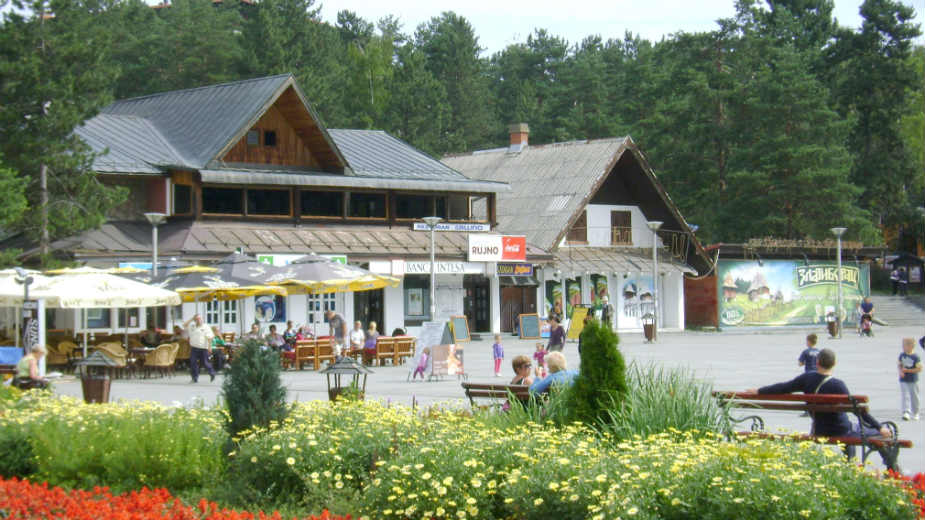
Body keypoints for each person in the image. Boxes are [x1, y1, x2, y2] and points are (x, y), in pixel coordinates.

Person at [748, 348, 892, 461]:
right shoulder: (838, 385)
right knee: (877, 434)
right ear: (834, 363)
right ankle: (883, 467)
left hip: (819, 429)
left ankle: (850, 465)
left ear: (817, 362)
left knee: (853, 430)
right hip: (840, 430)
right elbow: (858, 411)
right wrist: (880, 427)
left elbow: (783, 387)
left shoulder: (807, 378)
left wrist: (758, 391)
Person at [184, 314, 215, 383]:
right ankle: (194, 378)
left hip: (203, 348)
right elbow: (184, 325)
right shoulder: (192, 326)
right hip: (194, 348)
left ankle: (212, 373)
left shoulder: (206, 327)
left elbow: (210, 337)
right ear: (195, 320)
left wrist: (210, 347)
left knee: (205, 362)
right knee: (193, 362)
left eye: (200, 319)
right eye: (197, 319)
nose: (199, 320)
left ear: (202, 319)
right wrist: (192, 318)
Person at [899, 337, 922, 421]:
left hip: (913, 380)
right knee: (905, 395)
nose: (903, 347)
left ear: (911, 346)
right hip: (904, 380)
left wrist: (908, 370)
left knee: (914, 396)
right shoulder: (902, 355)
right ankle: (906, 412)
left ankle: (915, 412)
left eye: (904, 345)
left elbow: (919, 369)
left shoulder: (915, 357)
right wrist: (901, 372)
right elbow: (900, 364)